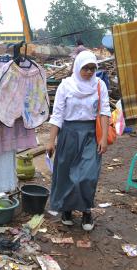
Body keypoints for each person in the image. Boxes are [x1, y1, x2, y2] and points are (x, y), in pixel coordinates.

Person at [46, 50, 110, 231]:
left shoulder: (99, 85)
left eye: (92, 68)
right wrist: (51, 141)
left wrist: (104, 138)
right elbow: (57, 114)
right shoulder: (66, 86)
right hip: (68, 133)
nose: (89, 72)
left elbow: (104, 111)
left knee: (87, 176)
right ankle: (66, 209)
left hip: (91, 134)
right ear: (77, 67)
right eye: (85, 68)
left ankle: (86, 211)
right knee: (67, 175)